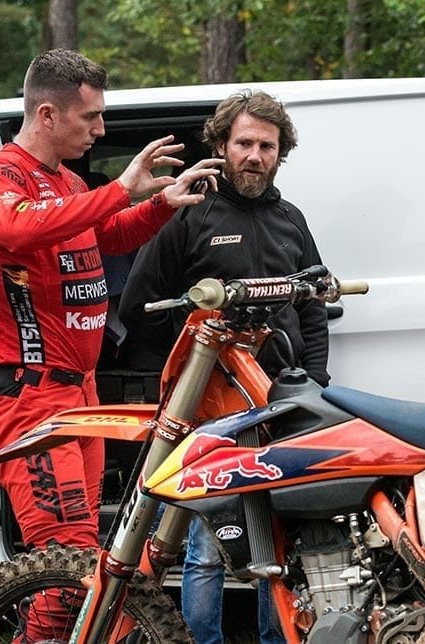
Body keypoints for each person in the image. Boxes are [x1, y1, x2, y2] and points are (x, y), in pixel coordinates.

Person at [0, 48, 221, 637]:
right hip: (29, 399)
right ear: (47, 115)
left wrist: (158, 204)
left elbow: (109, 235)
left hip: (81, 394)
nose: (101, 129)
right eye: (91, 118)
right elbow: (18, 228)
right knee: (66, 569)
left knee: (87, 562)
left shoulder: (69, 180)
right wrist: (120, 187)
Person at [119, 89, 328, 644]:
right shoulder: (191, 211)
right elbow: (138, 305)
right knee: (207, 544)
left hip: (280, 402)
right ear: (220, 145)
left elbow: (314, 306)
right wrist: (186, 366)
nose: (255, 155)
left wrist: (316, 384)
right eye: (244, 143)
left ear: (281, 153)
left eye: (267, 145)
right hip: (209, 406)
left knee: (276, 543)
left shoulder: (292, 219)